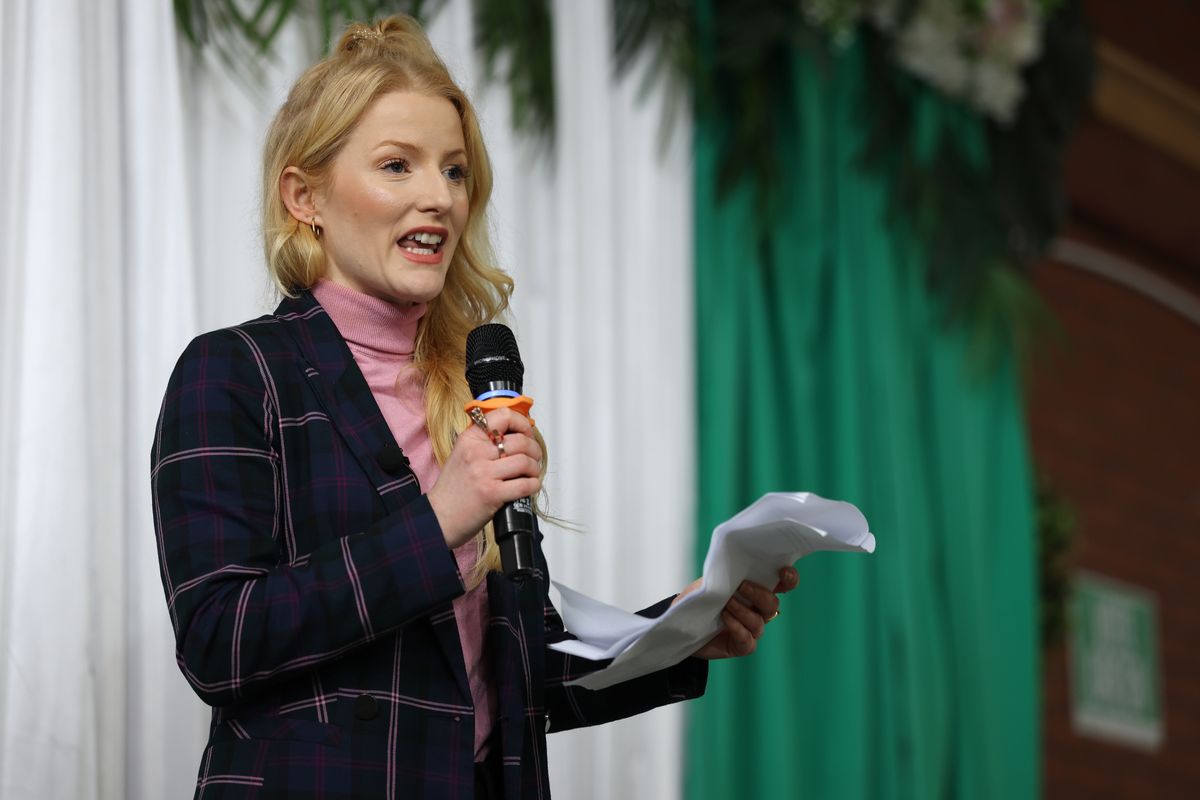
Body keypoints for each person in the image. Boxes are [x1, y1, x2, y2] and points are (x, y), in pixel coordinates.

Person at [151, 15, 797, 800]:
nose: (439, 198)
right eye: (398, 165)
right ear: (304, 196)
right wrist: (438, 522)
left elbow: (499, 689)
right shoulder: (233, 372)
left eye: (455, 172)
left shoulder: (466, 390)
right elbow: (218, 643)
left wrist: (677, 634)